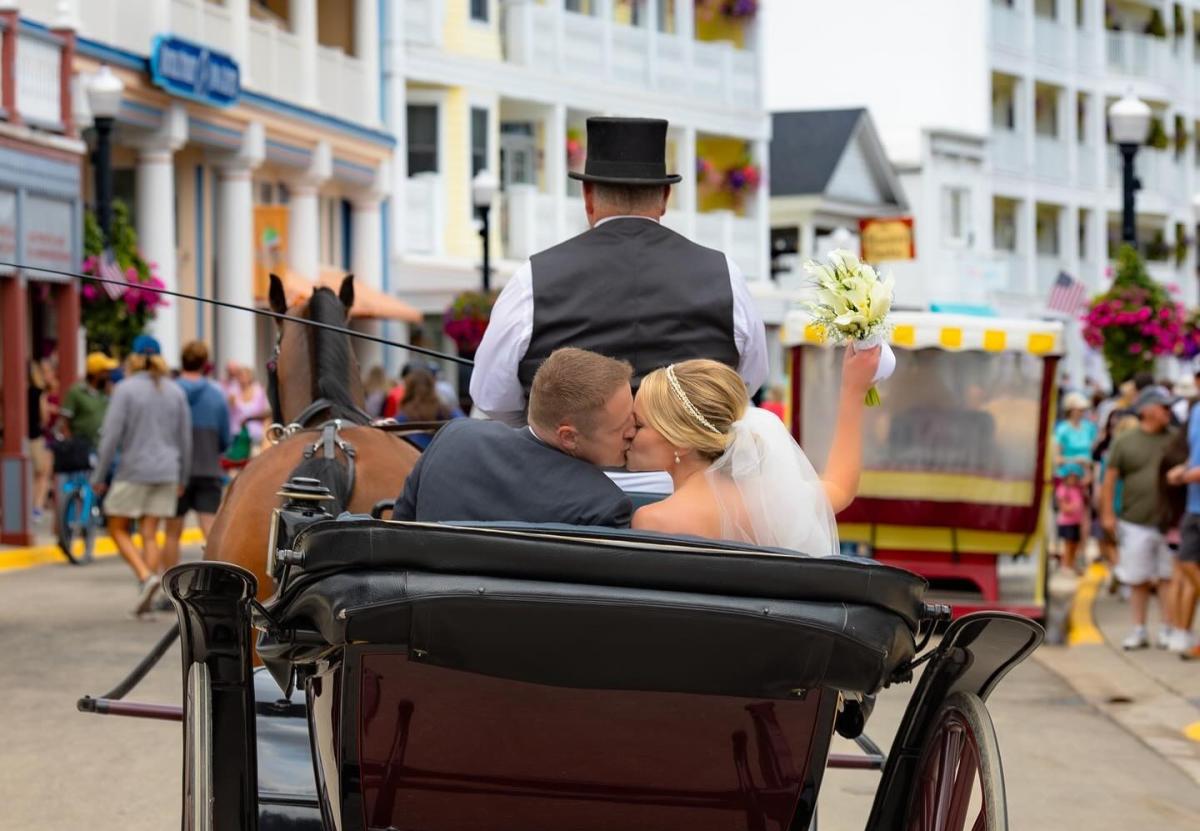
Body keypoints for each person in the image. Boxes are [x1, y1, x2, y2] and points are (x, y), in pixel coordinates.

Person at [470, 117, 768, 491]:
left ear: (588, 196)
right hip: (692, 494)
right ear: (664, 198)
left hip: (563, 494)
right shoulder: (725, 273)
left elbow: (491, 398)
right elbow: (747, 380)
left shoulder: (532, 278)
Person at [625, 346, 881, 552]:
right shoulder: (772, 504)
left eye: (639, 424)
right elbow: (840, 488)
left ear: (681, 441)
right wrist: (854, 390)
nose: (628, 433)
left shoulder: (653, 521)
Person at [392, 348, 634, 526]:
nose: (633, 432)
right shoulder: (604, 505)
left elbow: (398, 528)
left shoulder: (452, 438)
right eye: (622, 427)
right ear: (568, 437)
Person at [93, 334, 191, 615]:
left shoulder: (124, 389)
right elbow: (185, 439)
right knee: (150, 532)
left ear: (133, 357)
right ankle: (148, 588)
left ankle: (145, 576)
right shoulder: (175, 391)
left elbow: (111, 436)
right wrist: (182, 478)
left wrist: (100, 474)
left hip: (134, 469)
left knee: (116, 526)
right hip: (168, 471)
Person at [1101, 389, 1178, 650]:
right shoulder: (1125, 441)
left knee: (1167, 578)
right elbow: (1109, 479)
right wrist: (1107, 513)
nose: (1168, 411)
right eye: (1163, 407)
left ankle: (1168, 628)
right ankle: (1139, 629)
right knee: (1138, 579)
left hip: (1169, 522)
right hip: (1134, 520)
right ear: (1146, 410)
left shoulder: (1175, 439)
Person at [162, 341, 230, 574]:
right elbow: (225, 438)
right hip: (208, 466)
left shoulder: (170, 391)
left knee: (172, 532)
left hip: (176, 469)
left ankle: (167, 588)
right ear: (204, 364)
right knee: (210, 530)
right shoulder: (216, 395)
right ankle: (218, 582)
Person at [393, 368, 464, 450]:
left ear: (409, 389)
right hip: (441, 454)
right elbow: (464, 425)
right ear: (432, 386)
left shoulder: (404, 414)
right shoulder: (445, 410)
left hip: (412, 456)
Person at [59, 352, 118, 450]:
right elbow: (64, 421)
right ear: (96, 373)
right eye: (105, 371)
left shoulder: (106, 392)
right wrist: (70, 445)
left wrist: (111, 395)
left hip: (104, 446)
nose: (108, 374)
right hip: (82, 448)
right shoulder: (76, 391)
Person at [227, 364, 270, 449]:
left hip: (255, 435)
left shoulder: (259, 391)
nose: (242, 378)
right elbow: (227, 411)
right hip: (237, 435)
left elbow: (267, 412)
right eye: (240, 376)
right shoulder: (233, 391)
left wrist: (249, 418)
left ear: (250, 377)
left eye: (244, 375)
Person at [1055, 463, 1087, 573]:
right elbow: (1063, 507)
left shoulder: (1077, 489)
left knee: (1075, 544)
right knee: (1068, 544)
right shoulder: (1063, 489)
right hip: (1066, 522)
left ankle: (1071, 563)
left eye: (1075, 478)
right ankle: (1065, 565)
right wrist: (1073, 507)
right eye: (1071, 477)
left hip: (1076, 521)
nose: (1073, 480)